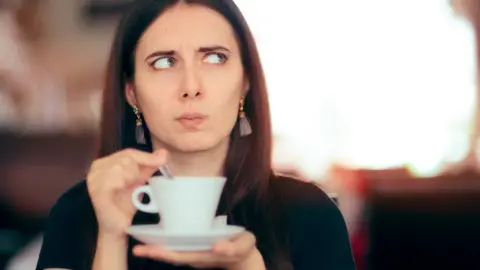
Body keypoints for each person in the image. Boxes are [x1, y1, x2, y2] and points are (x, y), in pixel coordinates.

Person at [36, 0, 356, 269]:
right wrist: (111, 238)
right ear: (131, 92)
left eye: (215, 58)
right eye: (164, 62)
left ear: (245, 81)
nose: (191, 87)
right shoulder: (78, 213)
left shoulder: (312, 216)